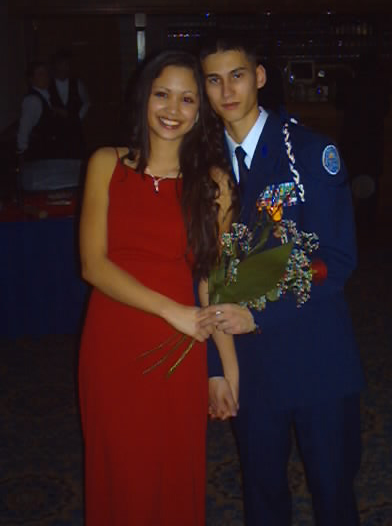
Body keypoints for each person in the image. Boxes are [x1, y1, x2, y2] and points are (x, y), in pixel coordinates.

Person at [199, 35, 365, 526]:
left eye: (237, 75)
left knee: (333, 492)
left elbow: (334, 260)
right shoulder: (200, 165)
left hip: (316, 355)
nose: (227, 90)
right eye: (213, 80)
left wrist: (259, 313)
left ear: (259, 77)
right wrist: (214, 365)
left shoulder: (310, 153)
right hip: (251, 367)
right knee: (262, 495)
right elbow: (200, 269)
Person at [78, 50, 239, 526]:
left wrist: (227, 370)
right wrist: (172, 311)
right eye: (162, 94)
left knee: (174, 469)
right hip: (113, 343)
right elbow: (93, 265)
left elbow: (212, 281)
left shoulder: (215, 184)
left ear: (201, 110)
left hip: (180, 350)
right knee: (120, 469)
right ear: (143, 98)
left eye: (188, 99)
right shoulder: (106, 164)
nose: (173, 109)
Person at [49, 49, 90, 158]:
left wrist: (77, 118)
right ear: (55, 66)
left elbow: (86, 102)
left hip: (74, 130)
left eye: (67, 64)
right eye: (61, 64)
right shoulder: (48, 85)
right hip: (55, 131)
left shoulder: (77, 83)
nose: (65, 68)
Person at [16, 60, 57, 160]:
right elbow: (24, 128)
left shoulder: (47, 97)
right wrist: (23, 151)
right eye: (40, 74)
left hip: (47, 153)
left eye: (46, 73)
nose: (45, 77)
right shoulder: (33, 100)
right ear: (31, 79)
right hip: (38, 155)